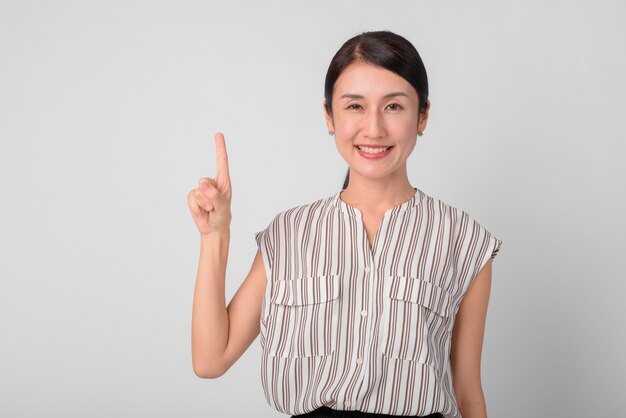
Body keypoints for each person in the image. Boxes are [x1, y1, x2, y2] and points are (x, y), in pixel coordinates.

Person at [188, 30, 502, 418]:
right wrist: (215, 236)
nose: (373, 129)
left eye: (393, 106)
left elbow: (468, 394)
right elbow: (210, 359)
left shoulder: (464, 240)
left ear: (422, 115)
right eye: (355, 106)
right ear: (329, 116)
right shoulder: (289, 234)